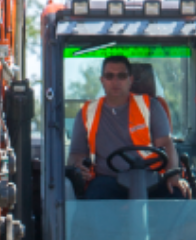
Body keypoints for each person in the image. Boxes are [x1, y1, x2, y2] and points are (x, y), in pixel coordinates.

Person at [67, 55, 189, 199]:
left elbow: (167, 145)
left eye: (121, 76)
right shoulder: (86, 113)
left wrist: (173, 174)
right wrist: (79, 166)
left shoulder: (151, 106)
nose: (115, 81)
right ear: (102, 81)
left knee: (177, 193)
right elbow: (76, 154)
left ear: (130, 80)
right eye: (109, 76)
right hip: (108, 180)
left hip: (149, 177)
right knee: (93, 197)